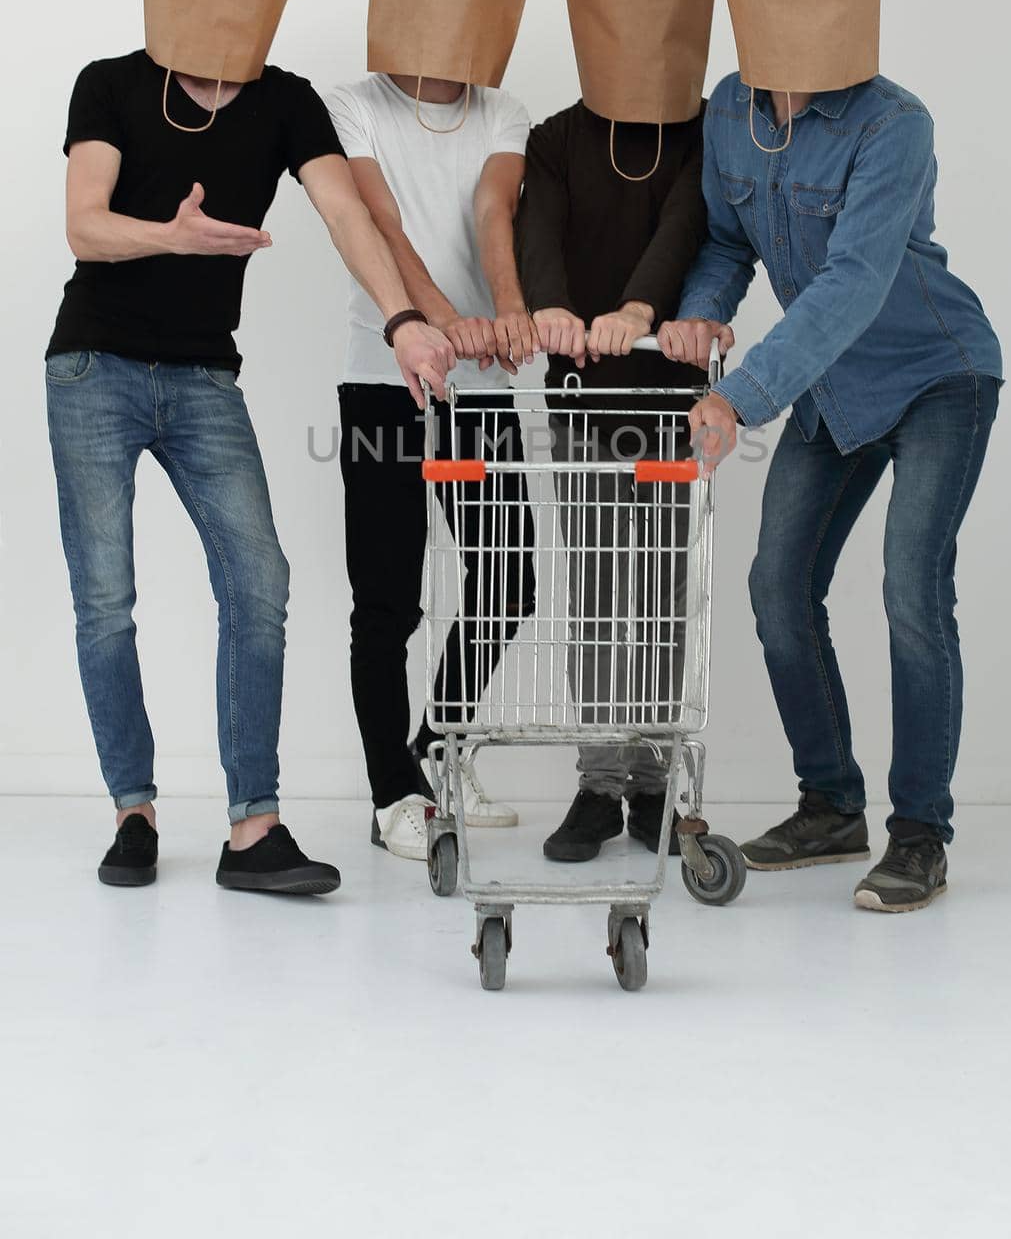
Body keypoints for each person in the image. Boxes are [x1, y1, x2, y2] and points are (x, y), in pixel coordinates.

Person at [47, 52, 453, 893]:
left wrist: (402, 321)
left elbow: (347, 215)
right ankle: (133, 811)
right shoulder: (112, 82)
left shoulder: (284, 100)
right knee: (105, 600)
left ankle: (253, 830)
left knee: (258, 582)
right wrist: (172, 237)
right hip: (96, 366)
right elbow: (85, 225)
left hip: (203, 377)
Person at [663, 73, 1002, 910]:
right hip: (828, 384)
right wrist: (703, 310)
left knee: (911, 589)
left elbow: (853, 279)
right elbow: (723, 240)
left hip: (937, 377)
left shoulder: (893, 122)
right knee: (777, 588)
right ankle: (830, 806)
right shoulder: (730, 108)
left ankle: (919, 834)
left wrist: (740, 396)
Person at [327, 70, 537, 861]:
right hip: (386, 373)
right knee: (386, 598)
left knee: (508, 575)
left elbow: (493, 211)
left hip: (479, 385)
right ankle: (393, 794)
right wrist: (438, 323)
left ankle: (437, 752)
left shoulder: (502, 111)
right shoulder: (354, 103)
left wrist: (508, 309)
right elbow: (379, 219)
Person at [516, 103, 709, 861]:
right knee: (594, 593)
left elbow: (684, 228)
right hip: (582, 401)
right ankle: (599, 785)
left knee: (664, 596)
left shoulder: (696, 134)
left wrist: (639, 308)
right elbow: (537, 228)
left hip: (669, 398)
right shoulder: (557, 138)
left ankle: (654, 781)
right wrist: (551, 308)